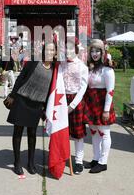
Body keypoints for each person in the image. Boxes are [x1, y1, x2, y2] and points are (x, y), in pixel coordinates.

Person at [5, 42, 56, 176]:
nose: (49, 52)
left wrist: (46, 108)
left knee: (32, 134)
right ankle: (17, 163)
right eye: (48, 50)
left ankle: (31, 163)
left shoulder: (55, 68)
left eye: (52, 50)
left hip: (37, 105)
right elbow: (20, 79)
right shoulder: (34, 62)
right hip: (22, 100)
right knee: (18, 132)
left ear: (56, 53)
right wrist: (12, 95)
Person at [83, 39, 116, 173]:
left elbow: (110, 91)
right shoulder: (90, 68)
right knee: (94, 132)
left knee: (104, 133)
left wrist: (106, 110)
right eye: (92, 51)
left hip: (102, 104)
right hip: (91, 103)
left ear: (102, 52)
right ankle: (96, 159)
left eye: (97, 51)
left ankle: (103, 162)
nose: (95, 54)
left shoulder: (107, 70)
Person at [61, 38, 88, 175]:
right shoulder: (61, 65)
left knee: (78, 134)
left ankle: (78, 161)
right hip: (62, 99)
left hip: (75, 101)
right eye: (66, 49)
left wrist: (72, 105)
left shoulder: (82, 66)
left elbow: (83, 88)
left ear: (76, 50)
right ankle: (62, 156)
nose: (68, 51)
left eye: (71, 49)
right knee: (62, 132)